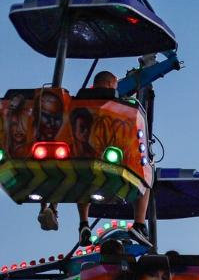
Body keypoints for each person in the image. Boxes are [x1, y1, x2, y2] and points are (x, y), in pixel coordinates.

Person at [37, 71, 153, 246]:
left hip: (76, 157)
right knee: (147, 171)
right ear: (110, 84)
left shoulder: (76, 103)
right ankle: (139, 224)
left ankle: (76, 220)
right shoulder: (118, 105)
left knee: (78, 177)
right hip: (108, 158)